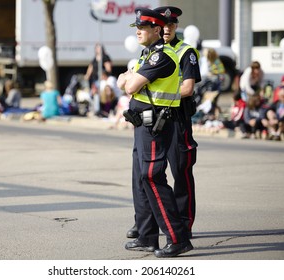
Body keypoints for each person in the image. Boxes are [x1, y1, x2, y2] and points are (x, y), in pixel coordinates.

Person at [117, 7, 193, 258]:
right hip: (142, 125)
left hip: (155, 125)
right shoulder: (147, 54)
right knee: (141, 177)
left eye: (143, 27)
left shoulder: (161, 57)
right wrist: (127, 78)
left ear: (157, 30)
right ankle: (147, 237)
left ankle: (178, 237)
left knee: (152, 176)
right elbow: (124, 81)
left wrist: (128, 78)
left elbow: (129, 84)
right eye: (136, 27)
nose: (138, 31)